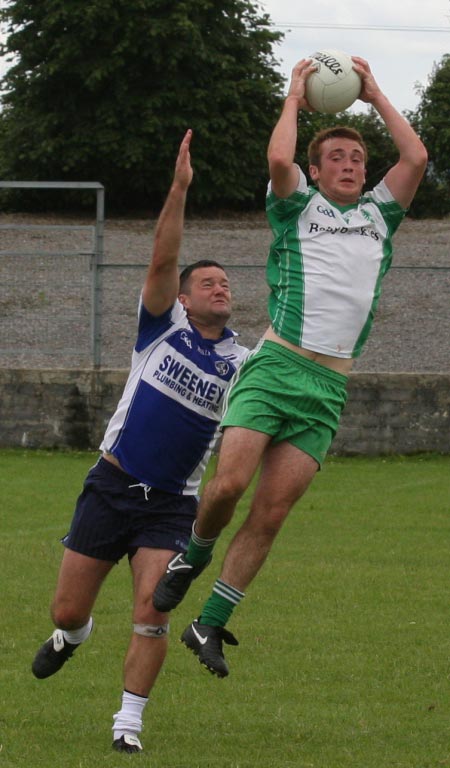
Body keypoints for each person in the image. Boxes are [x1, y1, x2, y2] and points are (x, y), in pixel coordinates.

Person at [152, 57, 428, 677]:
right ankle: (191, 556)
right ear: (317, 167)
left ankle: (209, 625)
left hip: (329, 387)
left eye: (357, 160)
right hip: (277, 367)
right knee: (226, 487)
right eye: (337, 158)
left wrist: (377, 93)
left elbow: (414, 159)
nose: (351, 166)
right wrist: (295, 96)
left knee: (271, 513)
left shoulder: (381, 215)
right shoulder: (295, 204)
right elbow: (279, 161)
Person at [31, 129, 248, 753]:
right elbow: (160, 258)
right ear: (182, 297)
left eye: (225, 283)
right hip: (113, 482)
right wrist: (178, 189)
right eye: (206, 282)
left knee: (154, 610)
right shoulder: (160, 328)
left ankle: (128, 725)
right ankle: (71, 638)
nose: (219, 287)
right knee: (67, 610)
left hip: (172, 504)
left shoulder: (243, 362)